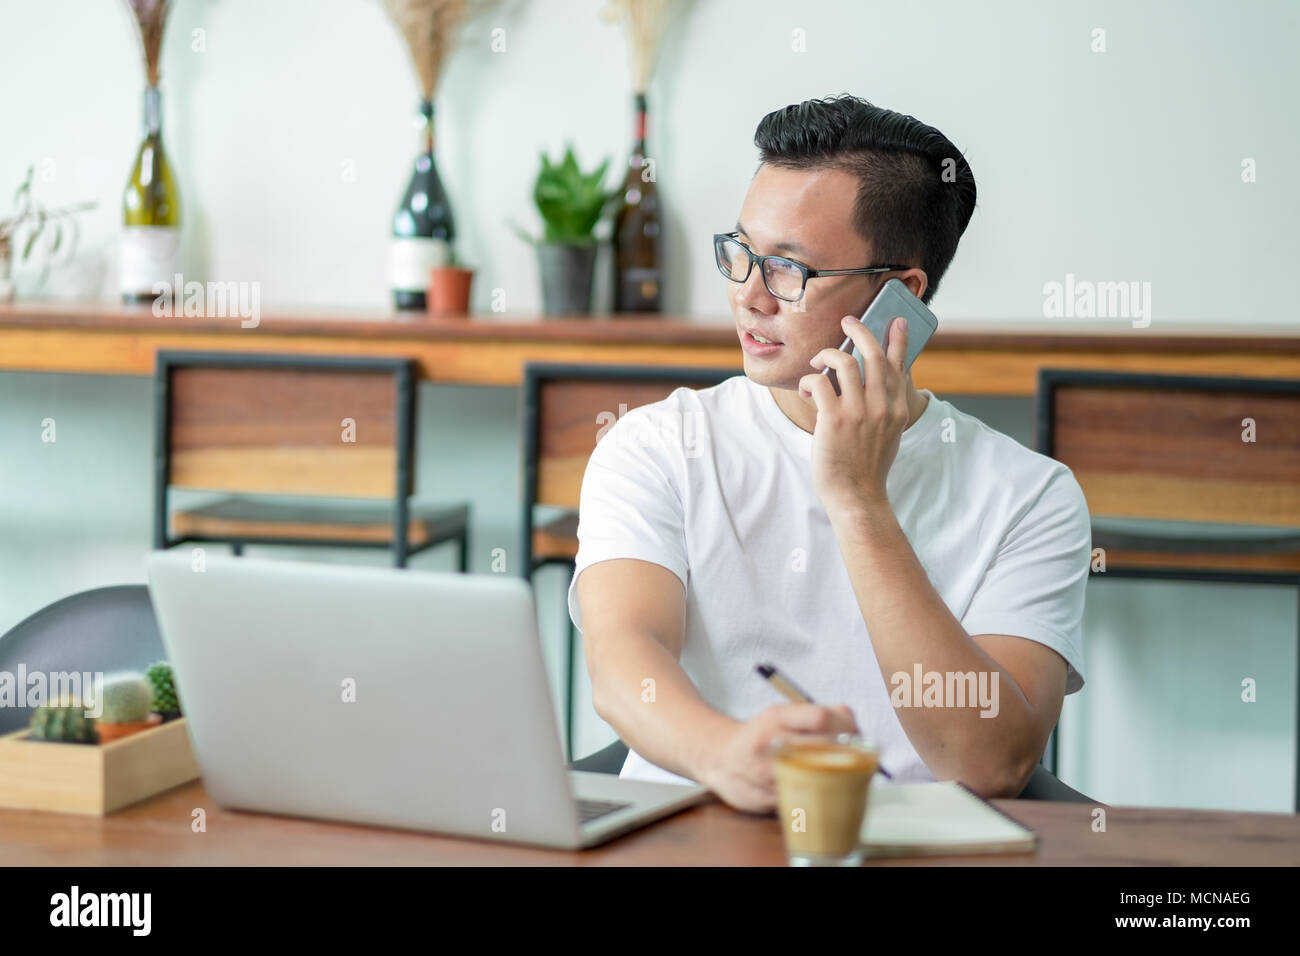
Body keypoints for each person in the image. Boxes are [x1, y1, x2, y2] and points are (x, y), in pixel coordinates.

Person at [568, 95, 1092, 812]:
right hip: (689, 841)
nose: (749, 296)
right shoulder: (660, 446)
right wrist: (724, 755)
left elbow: (987, 761)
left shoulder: (1030, 497)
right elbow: (623, 662)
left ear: (898, 296)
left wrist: (858, 500)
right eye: (742, 253)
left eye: (786, 268)